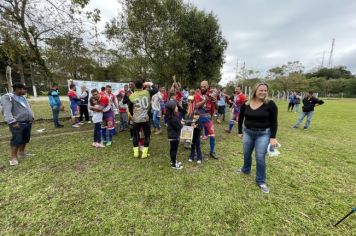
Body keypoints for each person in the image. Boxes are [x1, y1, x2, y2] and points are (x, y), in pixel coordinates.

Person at [236, 82, 279, 194]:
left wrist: (273, 137)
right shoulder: (246, 103)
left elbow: (274, 122)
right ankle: (245, 169)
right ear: (255, 90)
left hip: (263, 134)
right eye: (261, 90)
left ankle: (260, 180)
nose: (263, 92)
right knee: (246, 153)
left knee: (260, 157)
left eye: (265, 90)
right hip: (248, 132)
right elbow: (240, 118)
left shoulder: (270, 104)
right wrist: (240, 131)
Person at [1, 83, 35, 166]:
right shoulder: (8, 97)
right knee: (16, 140)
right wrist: (12, 122)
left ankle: (22, 153)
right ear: (17, 89)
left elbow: (28, 107)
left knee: (25, 138)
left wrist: (32, 116)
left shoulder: (23, 97)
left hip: (27, 122)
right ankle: (13, 157)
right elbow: (7, 111)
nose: (26, 90)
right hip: (17, 123)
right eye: (24, 88)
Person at [129, 76, 158, 158]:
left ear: (134, 85)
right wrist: (149, 83)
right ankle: (144, 153)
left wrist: (133, 115)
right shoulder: (147, 92)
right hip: (145, 118)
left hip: (136, 119)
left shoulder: (132, 96)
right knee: (147, 135)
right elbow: (156, 90)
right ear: (143, 85)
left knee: (135, 135)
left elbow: (130, 108)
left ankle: (136, 153)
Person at [194, 80, 219, 159]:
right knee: (196, 135)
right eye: (201, 86)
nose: (202, 88)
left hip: (208, 118)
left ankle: (212, 152)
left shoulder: (212, 95)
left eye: (204, 86)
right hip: (198, 117)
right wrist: (205, 100)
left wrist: (215, 102)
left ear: (208, 86)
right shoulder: (197, 95)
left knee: (212, 135)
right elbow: (197, 106)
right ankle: (194, 151)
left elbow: (217, 108)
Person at [165, 100, 183, 169]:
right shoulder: (174, 118)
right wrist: (181, 124)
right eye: (176, 107)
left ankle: (173, 161)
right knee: (174, 150)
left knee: (172, 149)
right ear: (173, 108)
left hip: (171, 135)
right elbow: (178, 127)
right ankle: (174, 164)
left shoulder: (171, 116)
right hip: (174, 136)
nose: (177, 108)